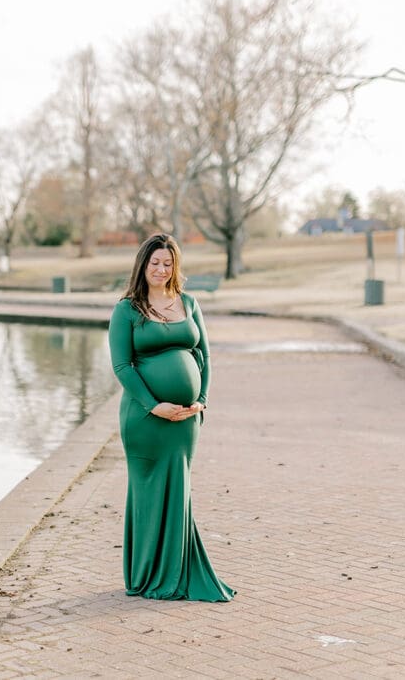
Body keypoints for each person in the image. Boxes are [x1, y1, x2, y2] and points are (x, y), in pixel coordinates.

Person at [107, 233, 236, 602]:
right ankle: (146, 575)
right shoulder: (127, 309)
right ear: (142, 266)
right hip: (145, 418)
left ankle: (177, 571)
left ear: (175, 266)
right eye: (154, 263)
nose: (161, 270)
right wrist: (153, 404)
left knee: (179, 490)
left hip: (186, 420)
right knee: (149, 493)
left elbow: (205, 356)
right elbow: (123, 366)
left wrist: (202, 400)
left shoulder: (190, 303)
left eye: (167, 263)